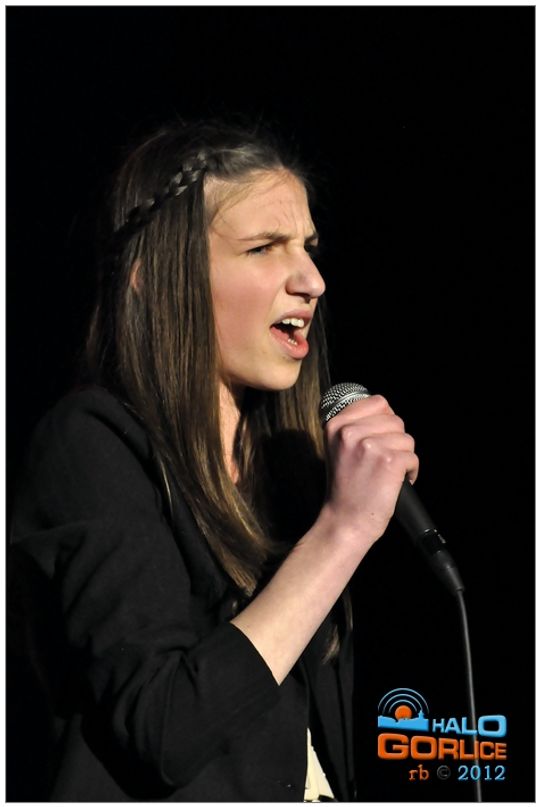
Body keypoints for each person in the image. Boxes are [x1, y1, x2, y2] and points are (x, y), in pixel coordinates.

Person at [7, 119, 419, 802]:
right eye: (264, 247)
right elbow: (164, 727)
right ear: (153, 277)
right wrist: (344, 531)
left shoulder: (287, 474)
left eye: (309, 249)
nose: (312, 280)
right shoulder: (90, 444)